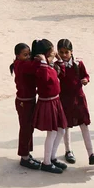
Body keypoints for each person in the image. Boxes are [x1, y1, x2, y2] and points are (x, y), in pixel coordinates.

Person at [56, 39, 94, 165]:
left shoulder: (78, 64)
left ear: (72, 52)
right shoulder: (57, 66)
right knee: (66, 126)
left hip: (78, 99)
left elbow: (86, 75)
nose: (64, 55)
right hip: (65, 100)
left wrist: (86, 80)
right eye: (61, 52)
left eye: (67, 52)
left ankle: (91, 154)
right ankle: (68, 150)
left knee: (84, 125)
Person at [31, 39, 68, 174]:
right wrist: (44, 63)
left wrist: (57, 61)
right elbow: (46, 78)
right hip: (48, 102)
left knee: (61, 130)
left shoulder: (48, 64)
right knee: (52, 132)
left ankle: (52, 157)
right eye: (53, 52)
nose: (55, 54)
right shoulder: (41, 67)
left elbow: (61, 73)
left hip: (55, 101)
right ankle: (46, 162)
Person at [11, 43, 40, 170]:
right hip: (24, 102)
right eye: (25, 55)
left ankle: (27, 153)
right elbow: (36, 66)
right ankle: (24, 157)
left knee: (29, 128)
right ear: (17, 55)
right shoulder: (22, 65)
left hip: (29, 100)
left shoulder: (23, 63)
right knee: (25, 129)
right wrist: (46, 59)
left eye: (29, 54)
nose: (28, 57)